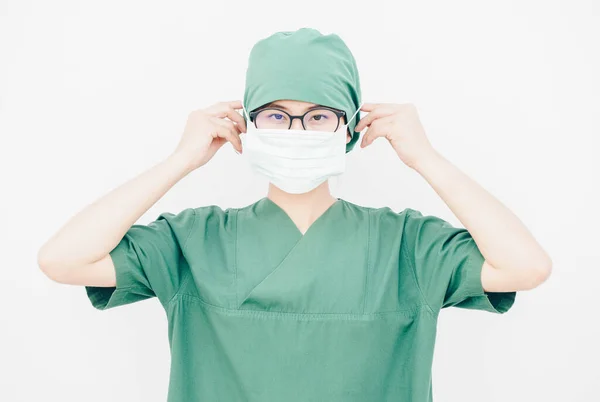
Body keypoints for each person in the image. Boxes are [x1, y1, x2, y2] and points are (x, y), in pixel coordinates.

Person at [37, 28, 552, 401]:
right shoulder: (193, 241)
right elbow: (62, 259)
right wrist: (180, 161)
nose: (296, 129)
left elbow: (525, 268)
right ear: (249, 123)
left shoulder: (407, 245)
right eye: (276, 115)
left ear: (348, 128)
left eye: (319, 115)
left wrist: (425, 158)